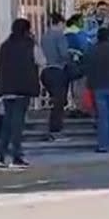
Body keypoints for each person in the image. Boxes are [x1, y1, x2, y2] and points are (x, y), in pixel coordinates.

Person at [0, 18, 40, 168]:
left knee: (7, 122)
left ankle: (1, 156)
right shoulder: (30, 45)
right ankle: (16, 157)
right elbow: (42, 60)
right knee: (17, 123)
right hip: (23, 89)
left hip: (6, 90)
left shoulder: (4, 46)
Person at [39, 12, 71, 141]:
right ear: (59, 24)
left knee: (56, 101)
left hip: (46, 71)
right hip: (58, 70)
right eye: (63, 25)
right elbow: (64, 54)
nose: (64, 28)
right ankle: (56, 131)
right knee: (59, 102)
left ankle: (54, 129)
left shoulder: (44, 37)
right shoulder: (60, 36)